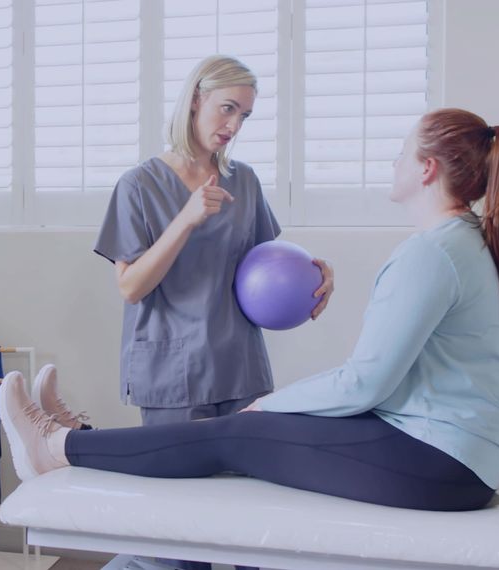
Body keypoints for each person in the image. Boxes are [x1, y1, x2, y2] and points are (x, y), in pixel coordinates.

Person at [1, 107, 499, 514]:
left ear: (428, 169)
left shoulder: (432, 252)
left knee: (234, 433)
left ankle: (56, 446)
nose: (394, 162)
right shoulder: (460, 243)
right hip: (447, 453)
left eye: (402, 153)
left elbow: (365, 385)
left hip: (439, 460)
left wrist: (269, 405)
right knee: (245, 433)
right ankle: (80, 441)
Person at [93, 54, 334, 428]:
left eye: (245, 116)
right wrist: (186, 219)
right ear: (195, 99)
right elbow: (130, 287)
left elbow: (265, 271)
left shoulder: (244, 181)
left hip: (239, 367)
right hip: (173, 372)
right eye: (227, 108)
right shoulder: (138, 186)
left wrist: (315, 278)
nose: (234, 125)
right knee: (180, 486)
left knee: (244, 485)